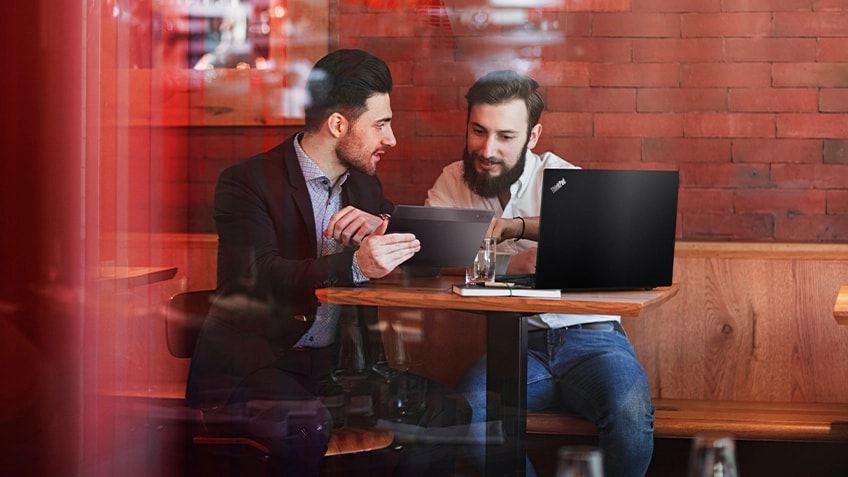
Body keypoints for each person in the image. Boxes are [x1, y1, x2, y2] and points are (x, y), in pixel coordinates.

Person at [185, 48, 453, 476]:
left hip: (337, 371)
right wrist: (356, 267)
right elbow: (253, 277)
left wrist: (384, 224)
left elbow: (421, 259)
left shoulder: (364, 187)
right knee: (307, 424)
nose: (392, 139)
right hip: (257, 367)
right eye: (381, 124)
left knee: (446, 410)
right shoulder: (246, 183)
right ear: (338, 124)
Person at [426, 70, 655, 477]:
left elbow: (602, 231)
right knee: (470, 409)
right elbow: (433, 254)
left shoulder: (562, 175)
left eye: (506, 136)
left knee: (630, 409)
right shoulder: (452, 181)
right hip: (517, 344)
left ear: (533, 137)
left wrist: (514, 229)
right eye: (478, 131)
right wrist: (507, 267)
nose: (488, 149)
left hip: (594, 340)